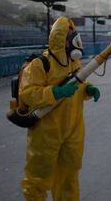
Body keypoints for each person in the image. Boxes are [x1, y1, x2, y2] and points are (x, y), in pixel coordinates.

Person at [19, 16, 101, 200]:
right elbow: (28, 93)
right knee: (38, 178)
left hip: (73, 129)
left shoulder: (74, 63)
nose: (74, 40)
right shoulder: (40, 64)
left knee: (69, 176)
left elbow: (77, 87)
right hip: (46, 131)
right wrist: (56, 92)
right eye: (69, 35)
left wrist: (88, 89)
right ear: (59, 38)